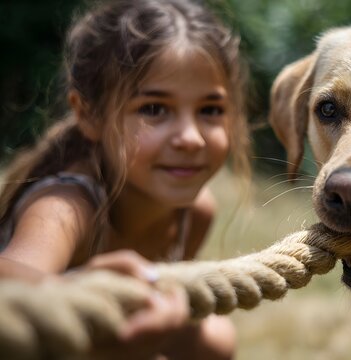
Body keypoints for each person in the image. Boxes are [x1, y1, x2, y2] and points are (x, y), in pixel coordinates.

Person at [0, 0, 251, 358]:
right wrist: (80, 290)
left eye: (210, 110)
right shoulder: (65, 206)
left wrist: (169, 323)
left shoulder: (194, 213)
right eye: (154, 109)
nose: (191, 137)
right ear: (89, 116)